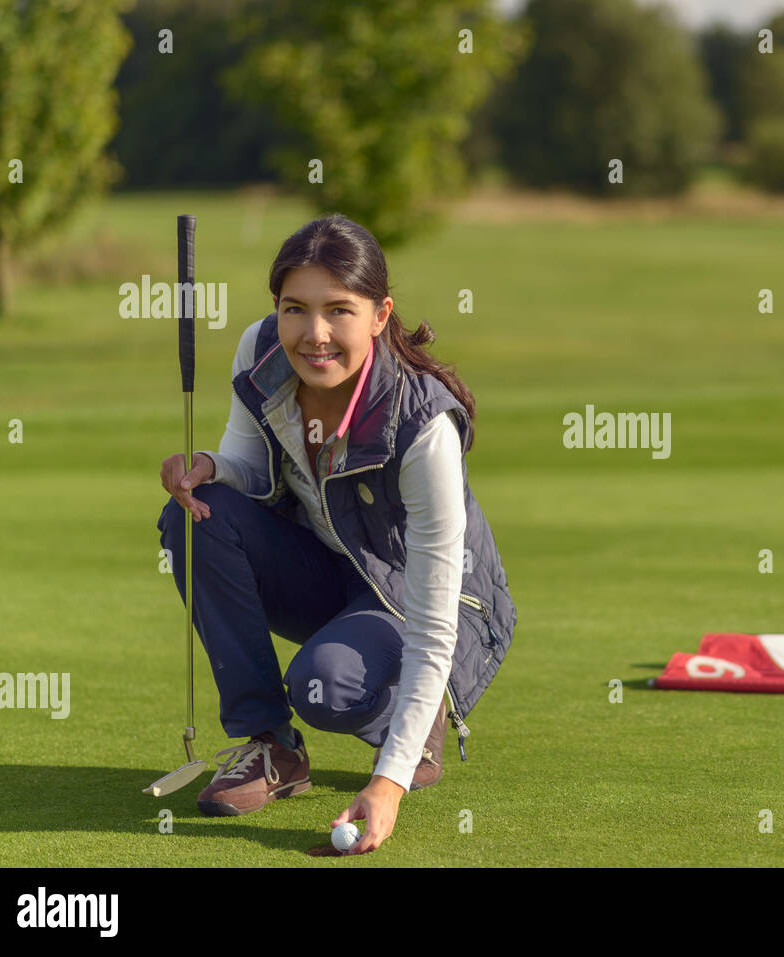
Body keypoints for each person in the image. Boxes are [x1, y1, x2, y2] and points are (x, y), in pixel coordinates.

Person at [156, 214, 515, 854]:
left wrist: (388, 782)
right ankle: (271, 748)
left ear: (380, 316)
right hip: (328, 571)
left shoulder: (423, 423)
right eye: (295, 309)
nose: (314, 334)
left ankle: (416, 714)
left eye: (339, 311)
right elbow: (251, 469)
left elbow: (435, 620)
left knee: (324, 686)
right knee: (196, 515)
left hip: (427, 604)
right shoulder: (261, 352)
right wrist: (210, 468)